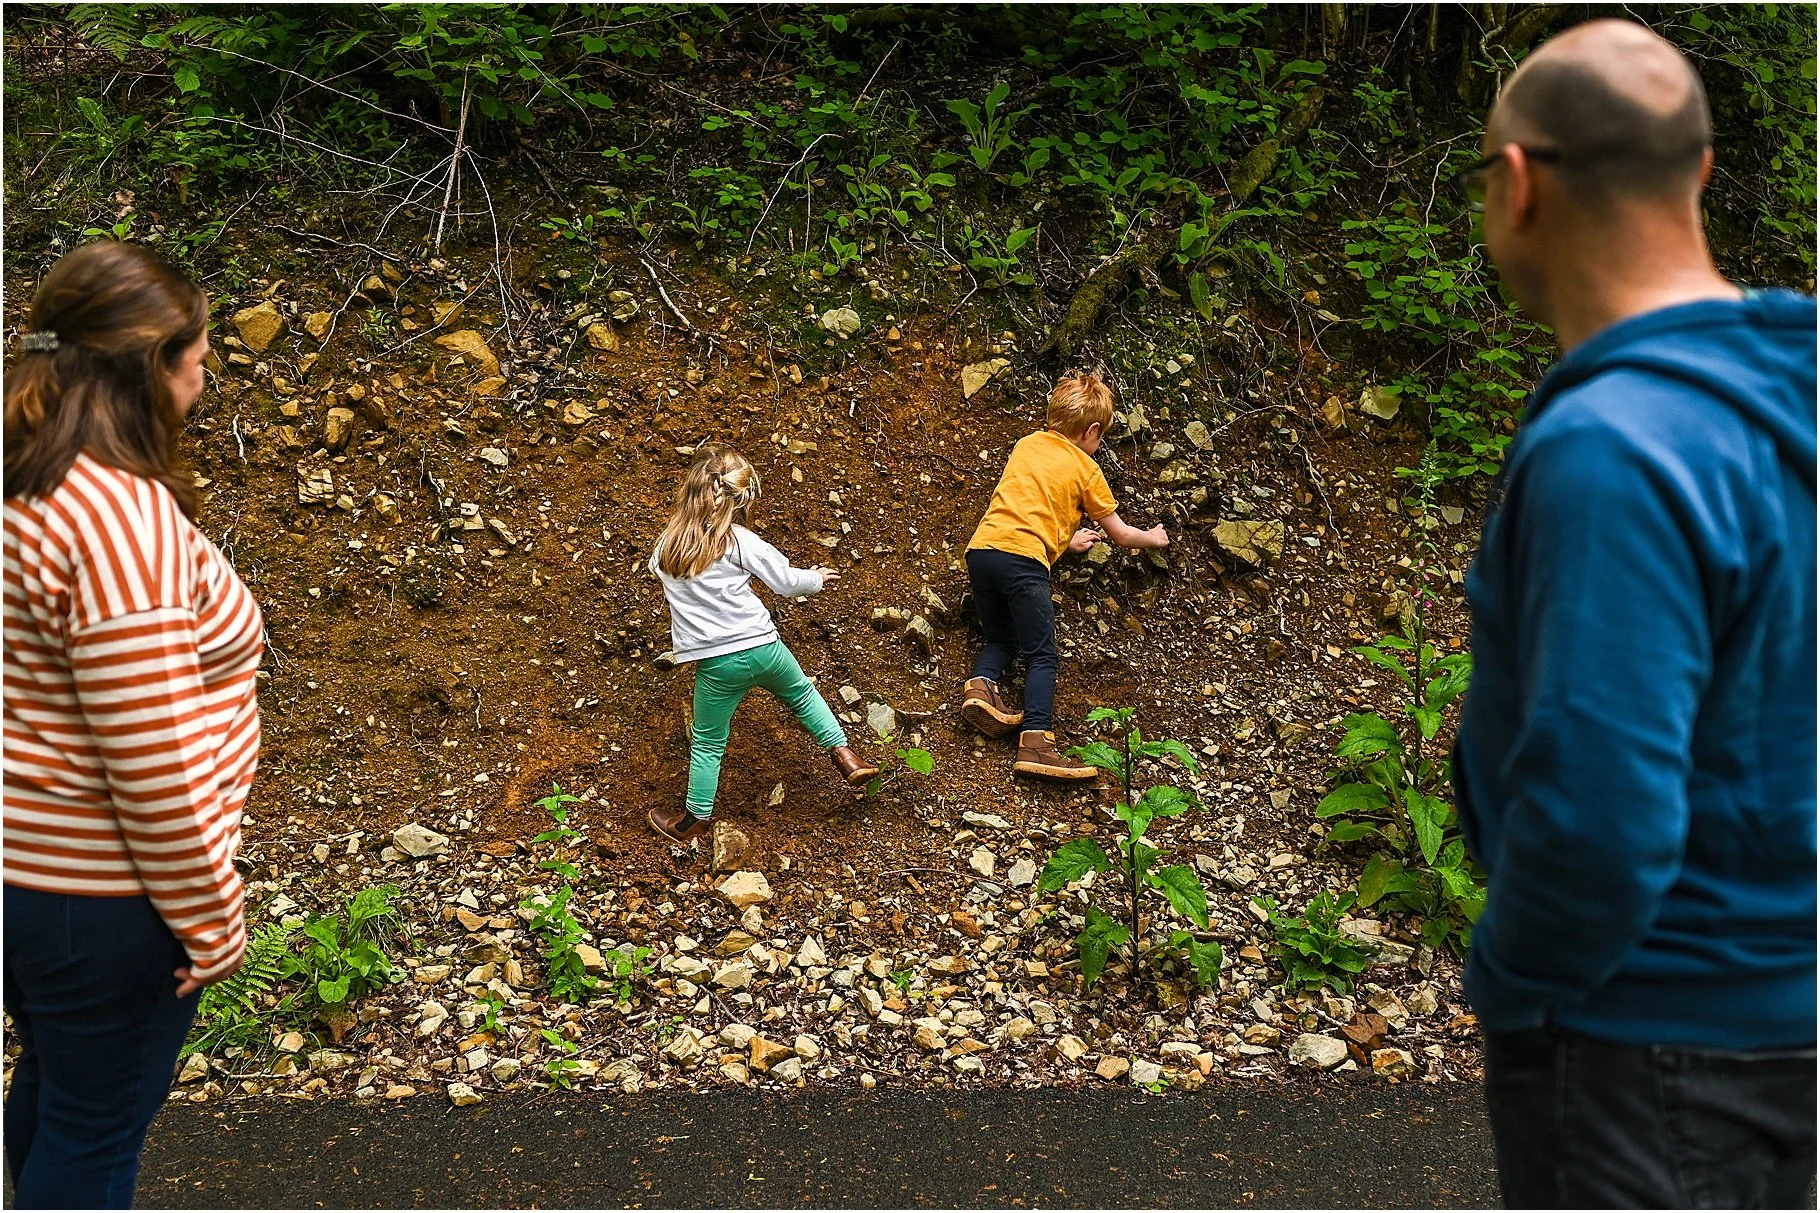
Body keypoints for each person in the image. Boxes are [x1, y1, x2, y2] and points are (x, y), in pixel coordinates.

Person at [1452, 19, 1816, 1208]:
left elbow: (1601, 815)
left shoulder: (1610, 450)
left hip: (1649, 1048)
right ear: (1699, 171)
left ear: (1516, 183)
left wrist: (1513, 982)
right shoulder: (1789, 399)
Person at [3, 242, 263, 1207]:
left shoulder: (25, 481)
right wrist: (210, 914)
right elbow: (150, 755)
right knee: (96, 1144)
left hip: (25, 877)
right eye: (196, 353)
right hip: (104, 898)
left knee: (61, 1097)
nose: (207, 372)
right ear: (149, 365)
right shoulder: (119, 519)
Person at [647, 444, 879, 842]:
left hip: (718, 664)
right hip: (764, 647)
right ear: (737, 498)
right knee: (804, 695)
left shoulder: (666, 547)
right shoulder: (738, 541)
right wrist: (817, 578)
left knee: (708, 741)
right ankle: (845, 754)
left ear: (690, 493)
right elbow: (787, 582)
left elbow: (661, 569)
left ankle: (694, 820)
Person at [959, 370, 1168, 780]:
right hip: (1023, 560)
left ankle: (980, 686)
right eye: (1101, 436)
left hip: (983, 551)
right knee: (1043, 654)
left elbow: (1033, 500)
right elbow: (1122, 535)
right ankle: (1037, 743)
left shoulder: (1027, 444)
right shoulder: (1087, 469)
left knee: (1002, 636)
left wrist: (1062, 541)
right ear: (1091, 430)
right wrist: (1154, 537)